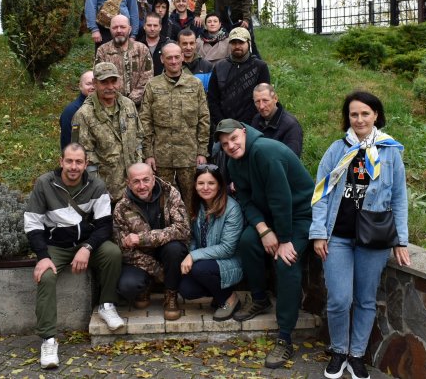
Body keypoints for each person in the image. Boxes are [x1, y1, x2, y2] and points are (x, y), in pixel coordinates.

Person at [309, 91, 410, 379]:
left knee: (365, 300)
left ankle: (356, 356)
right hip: (338, 237)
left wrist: (400, 240)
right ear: (348, 118)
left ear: (376, 115)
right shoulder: (336, 150)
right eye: (354, 114)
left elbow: (399, 198)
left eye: (365, 113)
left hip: (374, 238)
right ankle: (339, 351)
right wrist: (319, 233)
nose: (360, 119)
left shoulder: (390, 152)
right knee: (339, 299)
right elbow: (320, 193)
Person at [215, 119, 314, 369]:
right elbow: (245, 198)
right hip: (271, 217)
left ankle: (285, 337)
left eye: (234, 139)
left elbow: (282, 198)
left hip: (299, 215)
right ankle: (259, 298)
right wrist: (263, 230)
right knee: (248, 241)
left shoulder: (265, 152)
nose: (231, 146)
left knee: (286, 261)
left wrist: (284, 240)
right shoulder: (234, 162)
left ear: (244, 132)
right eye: (225, 144)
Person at [24, 143, 124, 369]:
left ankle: (106, 304)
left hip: (85, 244)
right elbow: (32, 223)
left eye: (79, 162)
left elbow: (104, 225)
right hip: (55, 246)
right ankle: (49, 339)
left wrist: (87, 247)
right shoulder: (45, 184)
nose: (73, 166)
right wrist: (42, 256)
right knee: (45, 276)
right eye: (69, 161)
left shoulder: (96, 185)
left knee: (112, 253)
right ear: (61, 162)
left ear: (86, 164)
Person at [114, 163, 190, 321]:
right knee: (128, 286)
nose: (142, 186)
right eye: (136, 181)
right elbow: (124, 249)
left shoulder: (170, 194)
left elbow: (183, 229)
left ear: (154, 179)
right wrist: (158, 271)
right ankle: (147, 285)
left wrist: (142, 238)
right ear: (128, 183)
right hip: (141, 259)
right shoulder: (122, 207)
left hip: (167, 252)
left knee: (175, 249)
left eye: (146, 180)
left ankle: (171, 294)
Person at [139, 42, 210, 210]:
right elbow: (145, 121)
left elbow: (204, 118)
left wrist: (202, 151)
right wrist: (148, 153)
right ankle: (167, 227)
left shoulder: (195, 84)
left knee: (192, 200)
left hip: (189, 156)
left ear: (183, 57)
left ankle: (190, 227)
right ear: (162, 59)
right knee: (163, 201)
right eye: (169, 57)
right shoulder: (153, 85)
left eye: (177, 57)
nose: (173, 61)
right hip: (162, 157)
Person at [178, 165, 243, 321]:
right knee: (186, 290)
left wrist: (193, 256)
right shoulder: (199, 206)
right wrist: (191, 253)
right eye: (201, 183)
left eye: (211, 183)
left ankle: (229, 298)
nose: (205, 188)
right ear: (195, 186)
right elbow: (195, 237)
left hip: (230, 261)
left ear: (219, 185)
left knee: (199, 269)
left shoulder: (232, 209)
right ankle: (218, 293)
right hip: (207, 260)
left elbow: (227, 248)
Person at [72, 62, 143, 203]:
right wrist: (97, 190)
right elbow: (81, 155)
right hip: (106, 192)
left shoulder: (128, 105)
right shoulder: (83, 115)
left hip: (134, 186)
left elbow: (139, 137)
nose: (110, 87)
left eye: (113, 81)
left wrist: (140, 168)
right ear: (95, 83)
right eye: (104, 82)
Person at [207, 27, 270, 129]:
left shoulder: (260, 67)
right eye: (233, 43)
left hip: (253, 126)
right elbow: (212, 99)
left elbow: (263, 98)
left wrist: (245, 125)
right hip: (224, 126)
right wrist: (223, 123)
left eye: (241, 42)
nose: (237, 46)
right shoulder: (219, 67)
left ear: (248, 43)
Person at [95, 15, 154, 107]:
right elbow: (99, 79)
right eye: (115, 27)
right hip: (111, 105)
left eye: (123, 27)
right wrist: (118, 102)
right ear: (110, 29)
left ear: (129, 29)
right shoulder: (102, 51)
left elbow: (147, 78)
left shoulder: (142, 49)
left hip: (139, 106)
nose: (119, 30)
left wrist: (129, 102)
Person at [250, 83, 303, 157]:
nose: (261, 106)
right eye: (257, 102)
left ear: (275, 99)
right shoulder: (256, 119)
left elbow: (291, 159)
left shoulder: (291, 126)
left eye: (265, 100)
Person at [59, 70, 95, 150]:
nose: (93, 87)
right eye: (88, 84)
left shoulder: (103, 106)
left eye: (95, 83)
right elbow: (68, 143)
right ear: (80, 86)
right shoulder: (71, 111)